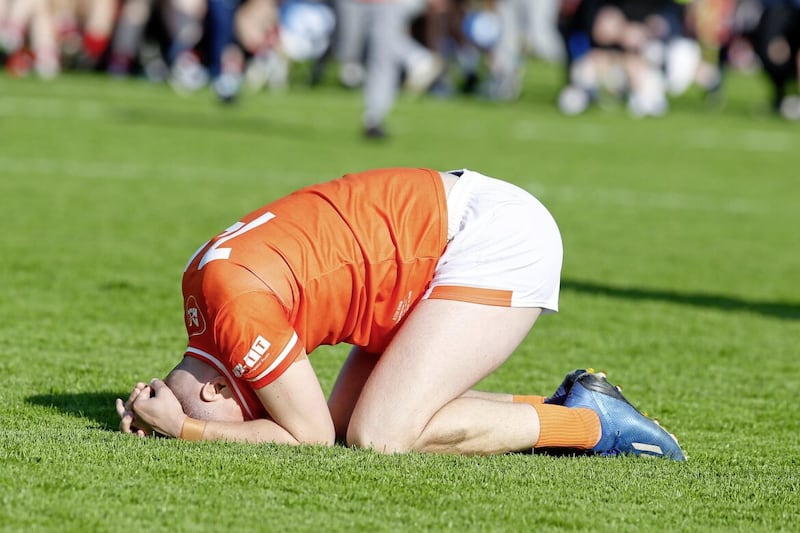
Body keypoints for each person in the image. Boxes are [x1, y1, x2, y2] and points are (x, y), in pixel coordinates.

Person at [116, 167, 685, 460]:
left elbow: (306, 437)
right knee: (358, 423)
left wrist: (186, 430)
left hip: (487, 237)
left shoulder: (237, 313)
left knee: (378, 434)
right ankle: (573, 403)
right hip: (432, 242)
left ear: (215, 390)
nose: (257, 427)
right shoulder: (203, 291)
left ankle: (591, 425)